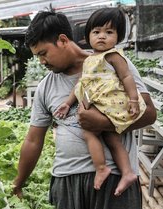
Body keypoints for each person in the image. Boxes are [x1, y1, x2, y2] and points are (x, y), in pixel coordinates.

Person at [12, 10, 156, 209]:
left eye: (44, 53)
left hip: (114, 183)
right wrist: (18, 182)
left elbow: (150, 113)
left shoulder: (111, 62)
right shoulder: (47, 86)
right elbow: (34, 140)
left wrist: (103, 123)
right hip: (65, 185)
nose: (42, 62)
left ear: (64, 40)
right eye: (38, 56)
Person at [53, 7, 146, 196]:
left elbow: (127, 77)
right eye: (96, 32)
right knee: (103, 136)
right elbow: (81, 84)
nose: (102, 36)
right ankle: (121, 171)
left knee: (96, 134)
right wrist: (68, 103)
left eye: (109, 32)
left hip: (110, 103)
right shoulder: (89, 59)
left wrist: (134, 100)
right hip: (96, 103)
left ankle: (108, 169)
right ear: (88, 36)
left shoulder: (114, 56)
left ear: (118, 37)